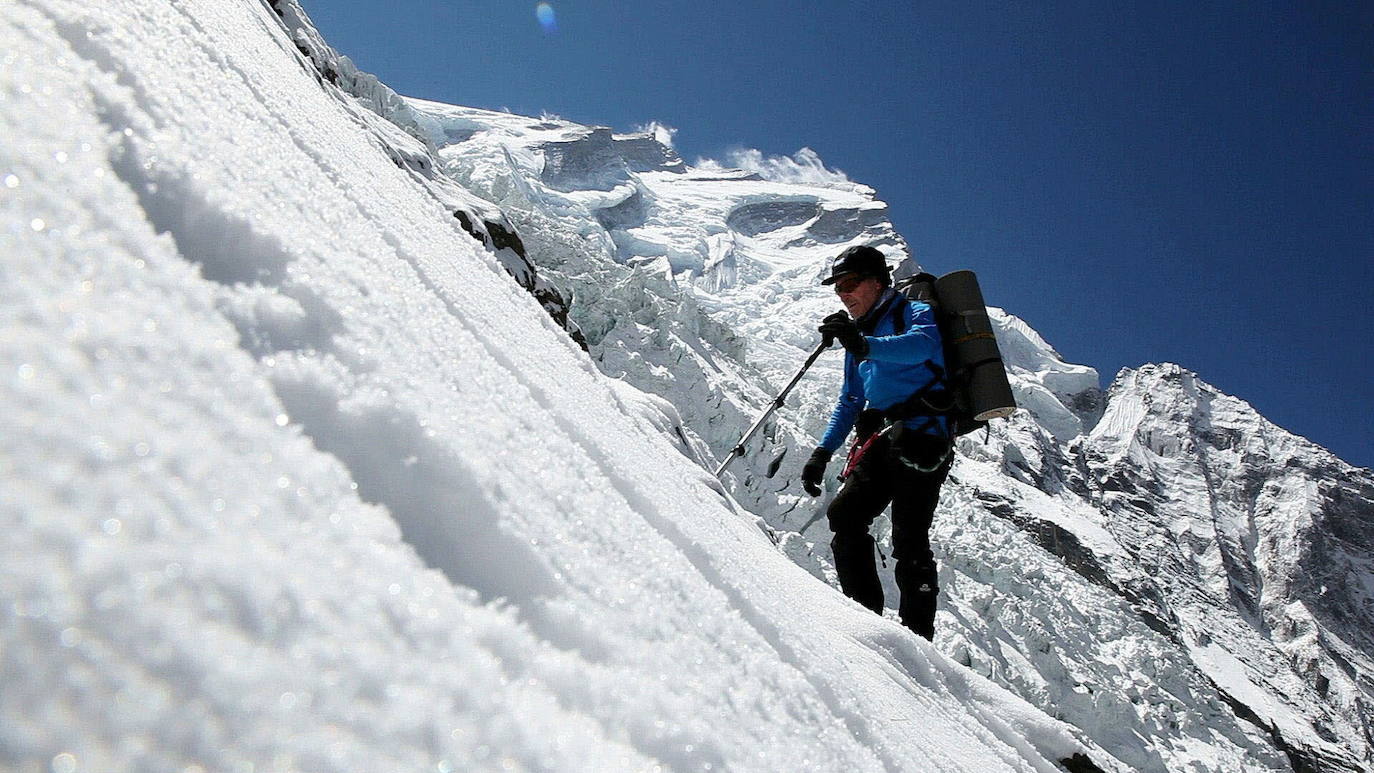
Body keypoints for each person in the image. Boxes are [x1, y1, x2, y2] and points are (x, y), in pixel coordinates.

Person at [801, 245, 954, 640]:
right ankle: (865, 619)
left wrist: (862, 344)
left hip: (924, 437)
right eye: (838, 288)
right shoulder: (860, 336)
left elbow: (921, 346)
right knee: (845, 514)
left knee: (909, 538)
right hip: (884, 438)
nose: (844, 294)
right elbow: (851, 400)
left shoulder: (912, 313)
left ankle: (918, 637)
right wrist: (822, 453)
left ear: (877, 281)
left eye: (850, 283)